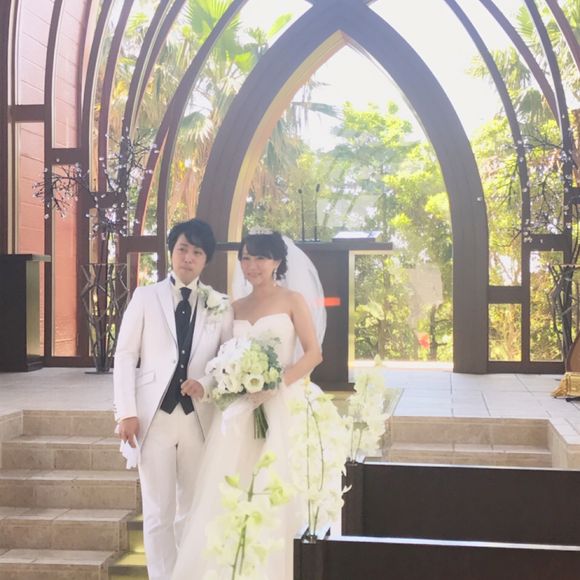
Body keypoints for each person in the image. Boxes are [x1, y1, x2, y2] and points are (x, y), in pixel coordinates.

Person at [172, 230, 325, 580]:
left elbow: (313, 353)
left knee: (274, 485)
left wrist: (276, 384)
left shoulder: (293, 300)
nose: (251, 265)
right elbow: (222, 358)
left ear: (276, 262)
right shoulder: (234, 307)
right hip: (240, 410)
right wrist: (217, 383)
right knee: (231, 486)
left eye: (260, 258)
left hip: (280, 405)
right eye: (246, 258)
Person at [113, 218, 233, 580]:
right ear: (171, 251)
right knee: (157, 512)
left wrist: (206, 384)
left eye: (197, 252)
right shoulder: (145, 297)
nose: (188, 257)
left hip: (199, 419)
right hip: (153, 419)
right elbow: (125, 356)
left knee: (193, 510)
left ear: (206, 259)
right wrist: (126, 412)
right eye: (182, 249)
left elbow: (227, 360)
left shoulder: (220, 305)